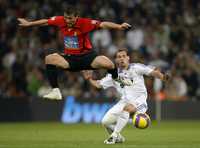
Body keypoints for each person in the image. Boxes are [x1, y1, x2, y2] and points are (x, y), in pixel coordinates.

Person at [17, 5, 132, 100]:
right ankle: (55, 91)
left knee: (109, 64)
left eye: (70, 18)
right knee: (49, 59)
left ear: (76, 17)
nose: (68, 21)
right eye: (66, 18)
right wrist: (29, 24)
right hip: (70, 59)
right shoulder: (60, 20)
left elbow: (102, 24)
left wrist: (119, 26)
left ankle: (117, 78)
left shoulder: (85, 23)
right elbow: (46, 22)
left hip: (88, 57)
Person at [82, 49, 169, 144]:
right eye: (119, 57)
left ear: (128, 58)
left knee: (127, 109)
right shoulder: (113, 75)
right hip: (124, 101)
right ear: (116, 60)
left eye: (124, 56)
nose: (122, 59)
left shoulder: (136, 67)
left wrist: (163, 77)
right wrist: (89, 79)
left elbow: (152, 72)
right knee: (105, 122)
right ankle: (119, 138)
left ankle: (113, 136)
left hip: (139, 101)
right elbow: (99, 84)